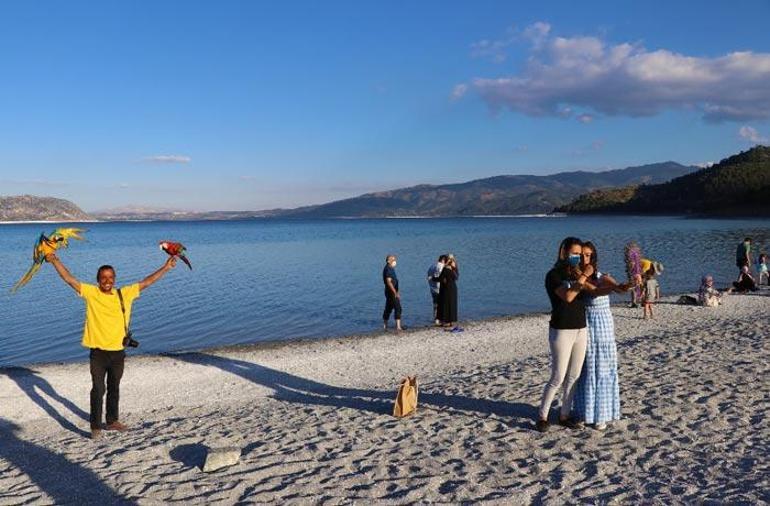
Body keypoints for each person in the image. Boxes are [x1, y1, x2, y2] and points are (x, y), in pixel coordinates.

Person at [45, 252, 177, 439]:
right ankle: (96, 426)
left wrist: (166, 267)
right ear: (98, 279)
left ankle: (112, 420)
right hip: (98, 353)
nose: (107, 280)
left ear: (114, 279)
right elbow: (69, 278)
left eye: (110, 277)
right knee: (98, 389)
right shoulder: (91, 293)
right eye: (103, 277)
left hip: (118, 352)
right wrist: (55, 260)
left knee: (114, 387)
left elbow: (147, 282)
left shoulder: (125, 294)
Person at [537, 237, 592, 432]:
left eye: (579, 254)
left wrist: (620, 286)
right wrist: (583, 277)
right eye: (574, 253)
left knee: (574, 375)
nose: (577, 257)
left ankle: (564, 415)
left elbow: (593, 291)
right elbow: (568, 297)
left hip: (580, 328)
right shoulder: (554, 275)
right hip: (561, 329)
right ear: (564, 252)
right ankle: (543, 416)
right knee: (558, 376)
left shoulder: (577, 274)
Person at [572, 242, 627, 431]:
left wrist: (631, 283)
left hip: (603, 326)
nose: (584, 259)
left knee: (604, 367)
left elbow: (620, 289)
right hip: (585, 323)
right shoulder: (576, 276)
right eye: (581, 255)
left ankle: (601, 415)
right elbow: (594, 291)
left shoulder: (602, 275)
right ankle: (582, 413)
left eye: (588, 255)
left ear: (593, 256)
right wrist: (613, 288)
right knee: (586, 367)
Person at [437, 255, 459, 330]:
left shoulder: (446, 269)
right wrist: (454, 267)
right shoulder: (454, 269)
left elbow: (440, 278)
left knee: (446, 304)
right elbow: (456, 277)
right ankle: (452, 321)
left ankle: (446, 321)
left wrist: (432, 278)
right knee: (452, 304)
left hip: (446, 289)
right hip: (453, 288)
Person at [382, 254, 403, 331]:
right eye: (393, 260)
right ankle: (398, 327)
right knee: (398, 307)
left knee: (389, 307)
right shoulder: (388, 269)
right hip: (391, 292)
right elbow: (388, 282)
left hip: (390, 291)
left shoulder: (391, 268)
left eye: (395, 260)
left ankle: (385, 326)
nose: (395, 261)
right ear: (388, 261)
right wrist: (395, 292)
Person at [427, 255, 447, 325]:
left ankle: (435, 318)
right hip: (439, 288)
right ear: (443, 260)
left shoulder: (432, 266)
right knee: (441, 304)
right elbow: (440, 277)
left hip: (432, 288)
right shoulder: (441, 266)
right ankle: (439, 319)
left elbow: (428, 276)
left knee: (435, 304)